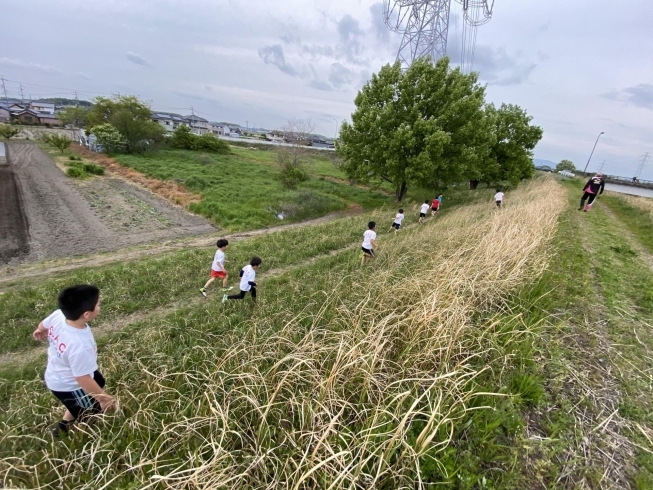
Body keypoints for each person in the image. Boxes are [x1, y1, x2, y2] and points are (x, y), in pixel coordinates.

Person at [31, 285, 115, 437]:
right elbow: (81, 378)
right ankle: (86, 436)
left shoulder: (59, 315)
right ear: (87, 314)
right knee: (90, 413)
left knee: (99, 381)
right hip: (69, 385)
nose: (100, 304)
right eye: (98, 304)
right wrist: (104, 399)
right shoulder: (79, 345)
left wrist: (40, 330)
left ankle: (66, 422)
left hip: (60, 372)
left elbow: (42, 325)